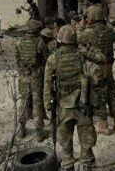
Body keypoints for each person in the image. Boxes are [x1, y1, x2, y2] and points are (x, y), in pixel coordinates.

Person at [44, 25, 105, 171]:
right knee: (86, 138)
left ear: (59, 40)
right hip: (83, 105)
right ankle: (87, 164)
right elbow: (100, 66)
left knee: (65, 140)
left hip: (63, 106)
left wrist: (48, 105)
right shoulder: (82, 56)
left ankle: (67, 165)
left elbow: (47, 84)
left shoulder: (53, 58)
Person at [78, 4, 115, 135]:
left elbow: (76, 41)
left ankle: (103, 125)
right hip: (108, 66)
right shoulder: (109, 30)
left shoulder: (88, 32)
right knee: (111, 93)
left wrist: (81, 27)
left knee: (99, 95)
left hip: (95, 69)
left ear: (90, 18)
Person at [16, 19, 50, 142]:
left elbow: (17, 59)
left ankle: (21, 130)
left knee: (24, 102)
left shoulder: (19, 42)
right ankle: (39, 133)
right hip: (36, 77)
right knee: (37, 103)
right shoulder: (39, 42)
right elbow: (47, 58)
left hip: (23, 76)